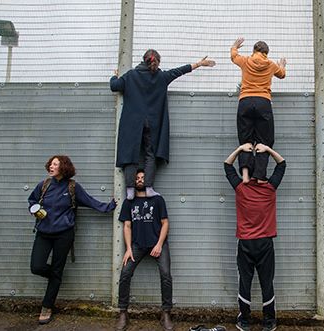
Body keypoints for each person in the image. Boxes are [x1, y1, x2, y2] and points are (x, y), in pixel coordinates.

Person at [111, 49, 216, 200]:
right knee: (150, 153)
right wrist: (199, 64)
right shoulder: (161, 77)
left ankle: (129, 190)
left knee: (130, 153)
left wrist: (114, 76)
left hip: (132, 122)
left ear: (143, 60)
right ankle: (148, 188)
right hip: (153, 123)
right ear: (157, 62)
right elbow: (179, 71)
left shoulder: (131, 76)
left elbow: (115, 86)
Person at [28, 155, 116, 324]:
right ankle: (55, 276)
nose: (51, 167)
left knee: (57, 269)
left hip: (64, 235)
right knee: (36, 266)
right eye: (51, 164)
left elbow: (90, 201)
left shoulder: (72, 187)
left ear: (64, 167)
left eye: (55, 164)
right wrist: (33, 209)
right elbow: (32, 200)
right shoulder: (44, 185)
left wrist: (109, 206)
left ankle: (47, 306)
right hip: (43, 233)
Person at [224, 143, 286, 331]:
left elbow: (227, 165)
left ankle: (244, 321)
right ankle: (269, 321)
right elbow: (282, 164)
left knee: (245, 281)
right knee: (267, 282)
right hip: (265, 243)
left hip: (245, 243)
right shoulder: (270, 188)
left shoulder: (241, 189)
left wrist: (239, 149)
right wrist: (267, 150)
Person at [115, 169, 173, 331]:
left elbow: (165, 223)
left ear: (148, 180)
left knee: (166, 275)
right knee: (125, 273)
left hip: (158, 244)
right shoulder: (129, 202)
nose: (140, 180)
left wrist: (159, 244)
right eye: (137, 178)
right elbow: (127, 226)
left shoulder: (158, 199)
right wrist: (128, 249)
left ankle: (166, 313)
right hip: (137, 245)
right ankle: (123, 313)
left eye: (143, 177)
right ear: (133, 181)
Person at [231, 37, 286, 184]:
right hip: (263, 102)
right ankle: (260, 176)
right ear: (266, 53)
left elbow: (233, 57)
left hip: (245, 101)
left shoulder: (246, 60)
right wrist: (282, 65)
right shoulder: (271, 64)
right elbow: (282, 75)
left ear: (254, 50)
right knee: (265, 140)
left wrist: (235, 46)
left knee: (245, 139)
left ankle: (245, 175)